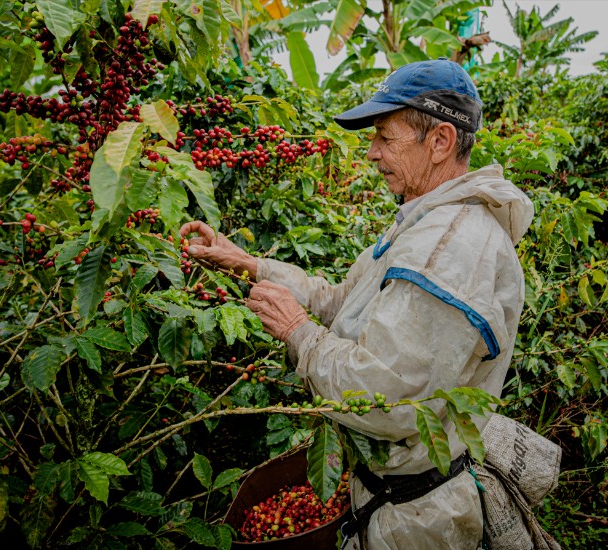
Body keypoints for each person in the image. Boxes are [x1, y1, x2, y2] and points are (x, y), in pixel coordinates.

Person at [181, 59, 534, 549]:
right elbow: (344, 301)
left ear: (441, 142)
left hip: (416, 520)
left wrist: (298, 333)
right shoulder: (425, 223)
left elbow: (386, 398)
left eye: (385, 138)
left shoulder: (449, 251)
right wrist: (248, 264)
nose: (371, 153)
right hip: (386, 493)